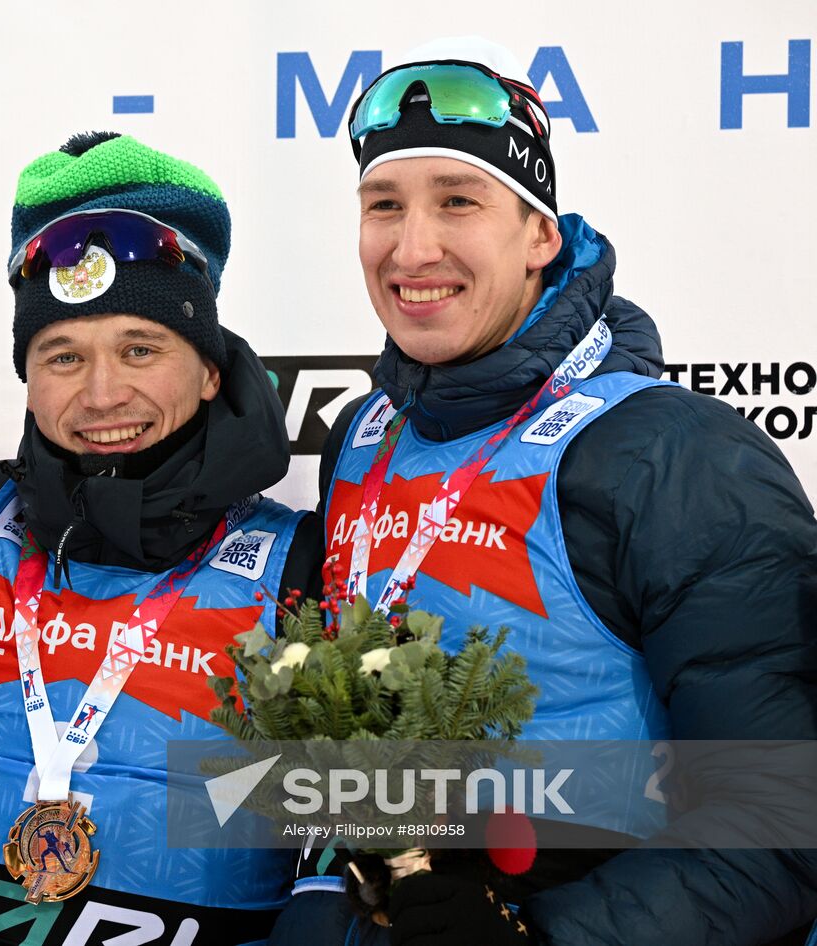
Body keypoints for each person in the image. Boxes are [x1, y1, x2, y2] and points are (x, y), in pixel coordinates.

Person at [278, 37, 817, 946]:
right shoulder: (364, 439)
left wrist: (541, 939)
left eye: (458, 202)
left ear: (540, 234)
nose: (413, 247)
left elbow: (781, 818)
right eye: (383, 205)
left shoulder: (672, 454)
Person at [0, 132, 324, 944]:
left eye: (141, 349)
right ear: (27, 376)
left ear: (209, 368)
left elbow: (384, 811)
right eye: (62, 356)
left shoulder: (296, 563)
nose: (102, 394)